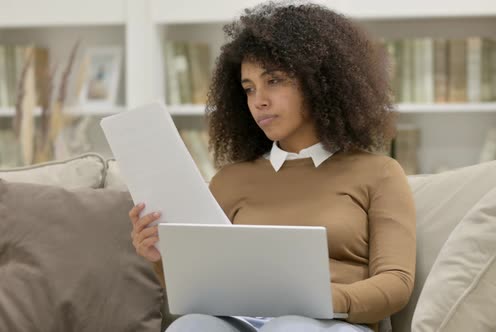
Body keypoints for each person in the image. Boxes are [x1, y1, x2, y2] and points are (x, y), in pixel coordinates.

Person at [129, 2, 416, 331]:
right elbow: (203, 284)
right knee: (191, 326)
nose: (258, 100)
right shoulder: (230, 180)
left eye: (274, 81)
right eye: (248, 88)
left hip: (332, 322)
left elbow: (396, 282)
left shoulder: (379, 173)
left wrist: (326, 299)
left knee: (291, 327)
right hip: (244, 320)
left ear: (319, 81)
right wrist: (161, 254)